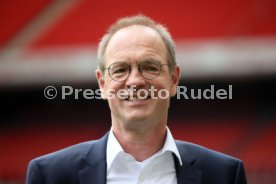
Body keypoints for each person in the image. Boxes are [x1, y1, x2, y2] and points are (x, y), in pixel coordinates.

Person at [26, 15, 247, 184]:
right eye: (120, 69)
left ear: (173, 79)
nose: (135, 81)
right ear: (102, 84)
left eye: (150, 67)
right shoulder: (49, 176)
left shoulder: (224, 175)